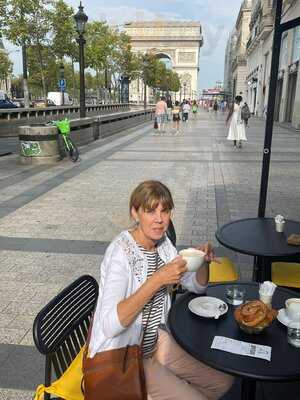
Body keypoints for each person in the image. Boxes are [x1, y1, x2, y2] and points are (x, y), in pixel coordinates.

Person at [88, 180, 234, 400]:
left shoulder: (163, 244)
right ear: (135, 213)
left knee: (223, 382)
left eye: (164, 211)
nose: (159, 219)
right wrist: (156, 280)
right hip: (124, 358)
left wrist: (203, 261)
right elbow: (110, 326)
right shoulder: (121, 253)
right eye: (150, 211)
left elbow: (197, 286)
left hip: (153, 343)